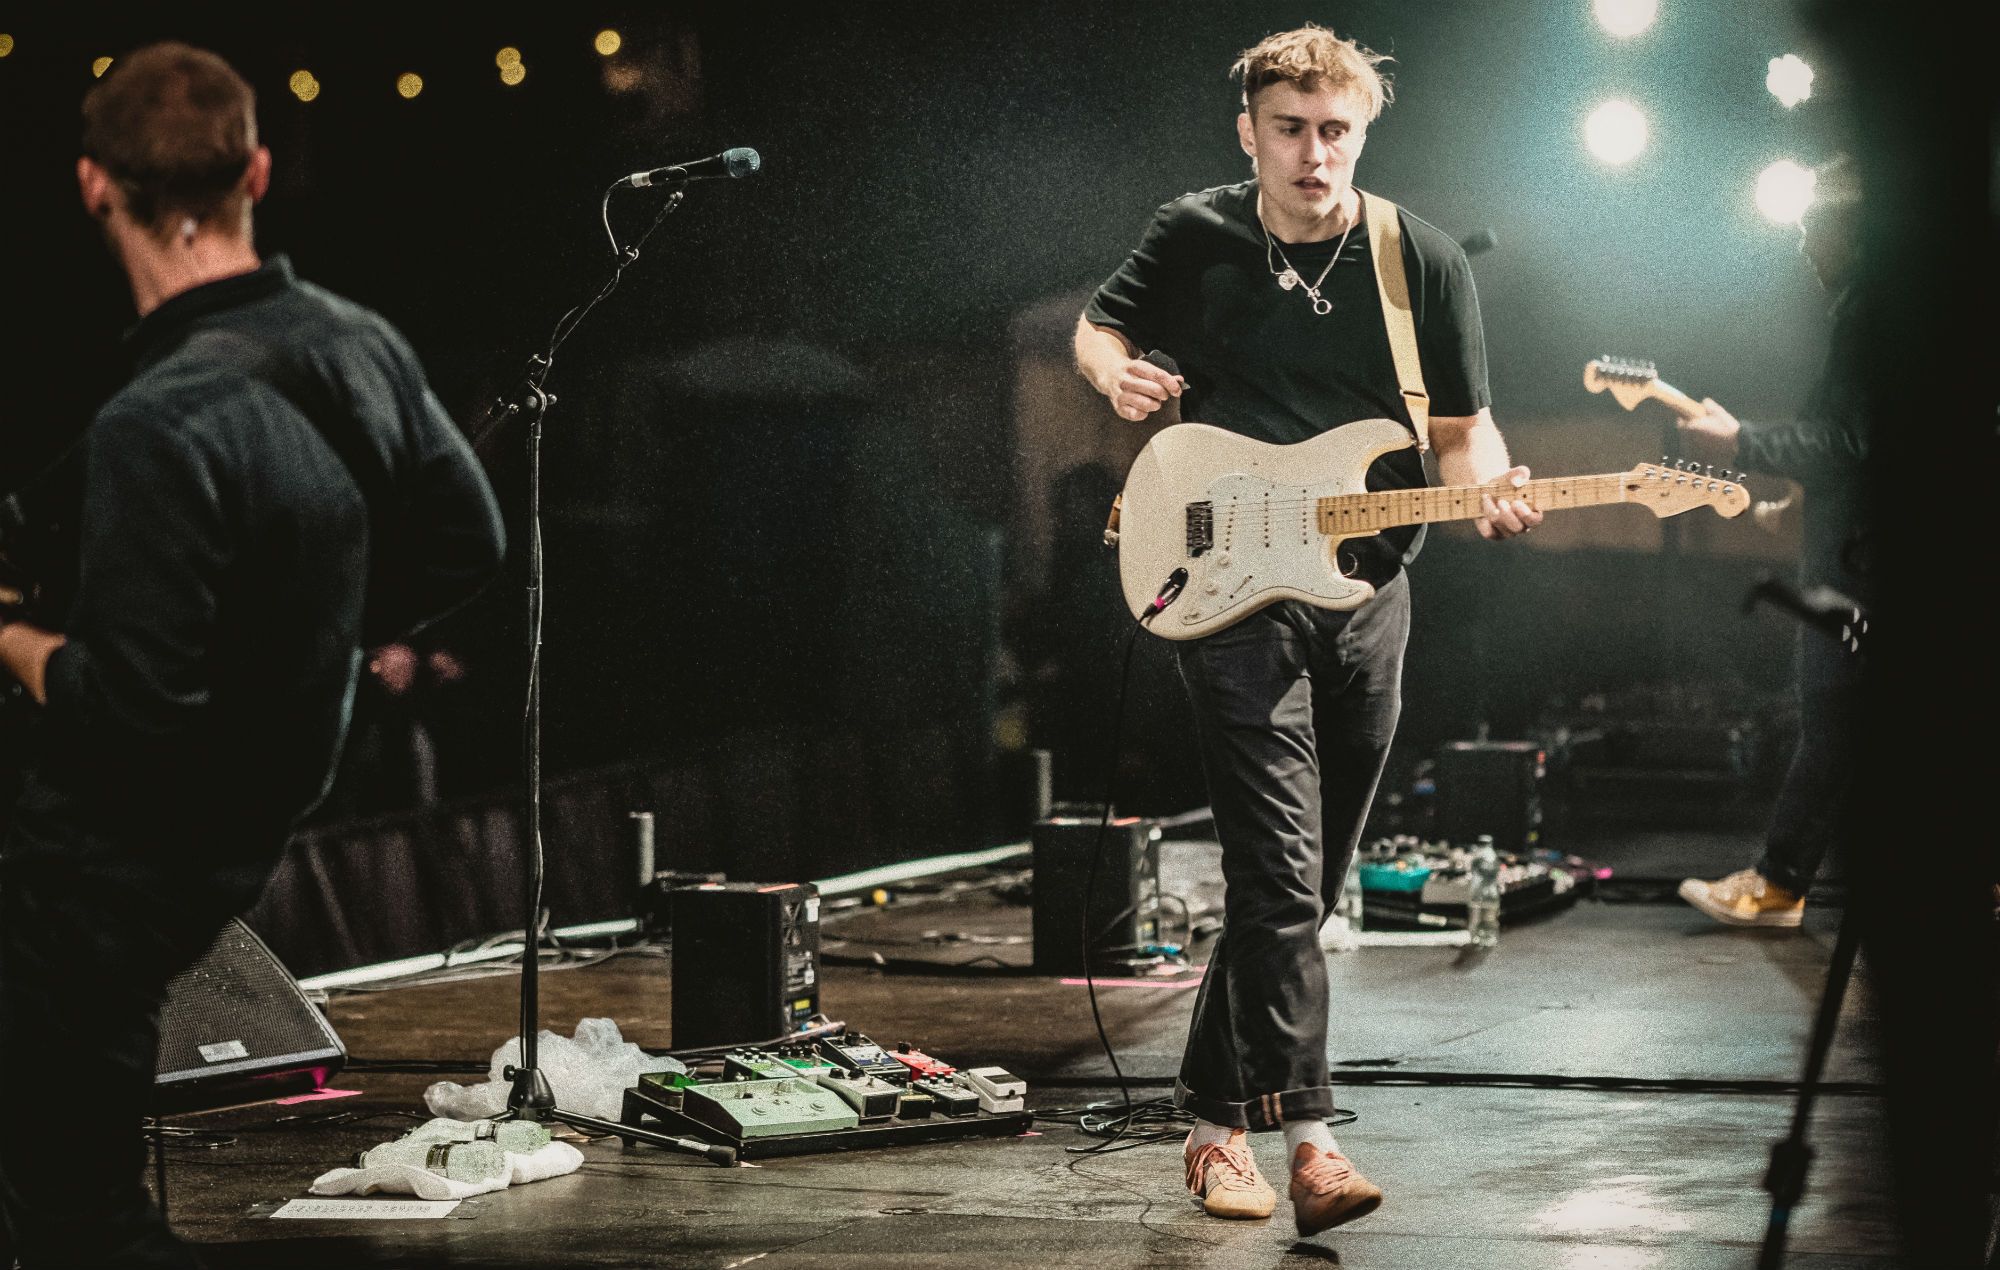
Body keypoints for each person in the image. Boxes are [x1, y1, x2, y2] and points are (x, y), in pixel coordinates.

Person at [0, 43, 506, 1266]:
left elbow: (124, 704)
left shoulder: (158, 423)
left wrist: (11, 634)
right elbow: (468, 540)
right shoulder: (356, 341)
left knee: (78, 1220)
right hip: (260, 802)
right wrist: (311, 630)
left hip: (107, 868)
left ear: (91, 187)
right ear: (257, 171)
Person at [1073, 24, 1540, 1237]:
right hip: (1230, 589)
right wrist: (1113, 372)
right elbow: (1096, 325)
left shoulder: (1418, 259)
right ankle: (1311, 1142)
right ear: (1249, 131)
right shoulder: (1194, 232)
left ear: (1361, 133)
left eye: (1336, 131)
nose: (1313, 153)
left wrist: (1486, 482)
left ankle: (1207, 1119)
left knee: (1305, 877)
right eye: (1290, 129)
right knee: (1277, 871)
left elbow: (1463, 432)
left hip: (1368, 592)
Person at [1674, 157, 1870, 930]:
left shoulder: (1873, 312)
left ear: (1853, 230)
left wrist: (1744, 441)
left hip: (1867, 563)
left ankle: (1780, 882)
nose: (1799, 245)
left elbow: (1851, 439)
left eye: (1810, 227)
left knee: (1833, 706)